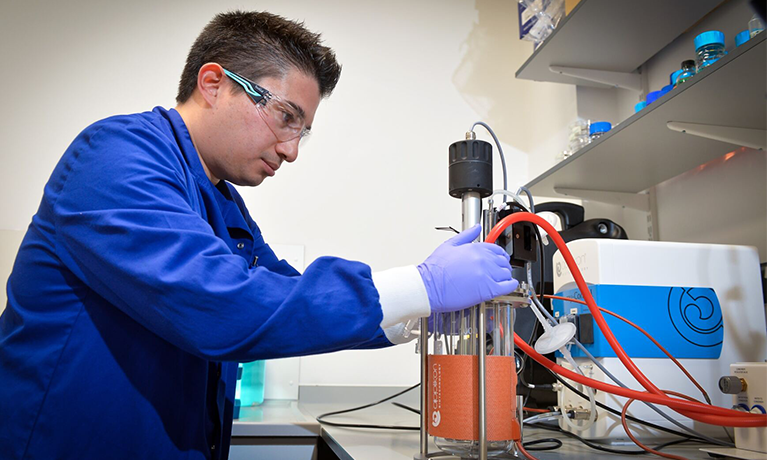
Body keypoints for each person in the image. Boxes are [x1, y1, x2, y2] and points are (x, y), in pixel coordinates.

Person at [0, 11, 517, 460]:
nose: (292, 150)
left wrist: (419, 310)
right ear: (213, 84)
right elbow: (224, 305)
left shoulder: (223, 201)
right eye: (286, 117)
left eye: (302, 131)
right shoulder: (116, 156)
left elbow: (283, 296)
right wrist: (422, 285)